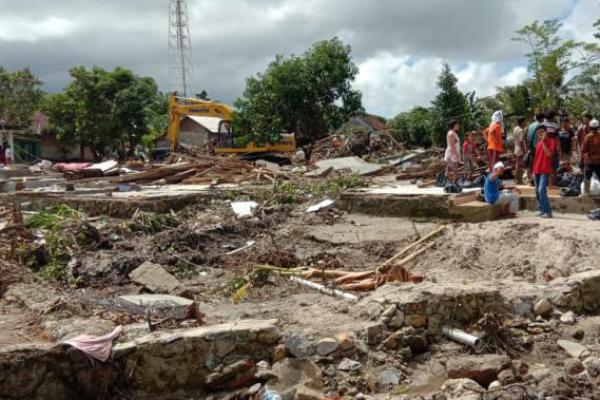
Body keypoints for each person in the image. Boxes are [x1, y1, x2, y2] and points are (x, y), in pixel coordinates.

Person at [532, 124, 557, 218]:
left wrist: (543, 142)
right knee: (537, 191)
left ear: (546, 132)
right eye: (538, 133)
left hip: (545, 170)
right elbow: (536, 158)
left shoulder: (552, 141)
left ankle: (548, 212)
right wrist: (533, 172)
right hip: (536, 170)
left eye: (542, 132)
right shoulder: (538, 143)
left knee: (541, 190)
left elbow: (549, 154)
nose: (540, 134)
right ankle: (542, 210)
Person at [581, 119, 600, 196]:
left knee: (587, 176)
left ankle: (586, 192)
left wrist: (585, 158)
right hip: (599, 160)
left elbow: (583, 149)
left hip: (589, 161)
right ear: (598, 127)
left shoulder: (587, 137)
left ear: (590, 127)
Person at [513, 117, 528, 184]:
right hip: (520, 150)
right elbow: (521, 141)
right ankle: (519, 180)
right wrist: (524, 151)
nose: (526, 123)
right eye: (525, 122)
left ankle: (518, 179)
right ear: (522, 122)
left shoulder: (515, 129)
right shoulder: (520, 130)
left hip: (516, 148)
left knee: (518, 164)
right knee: (520, 165)